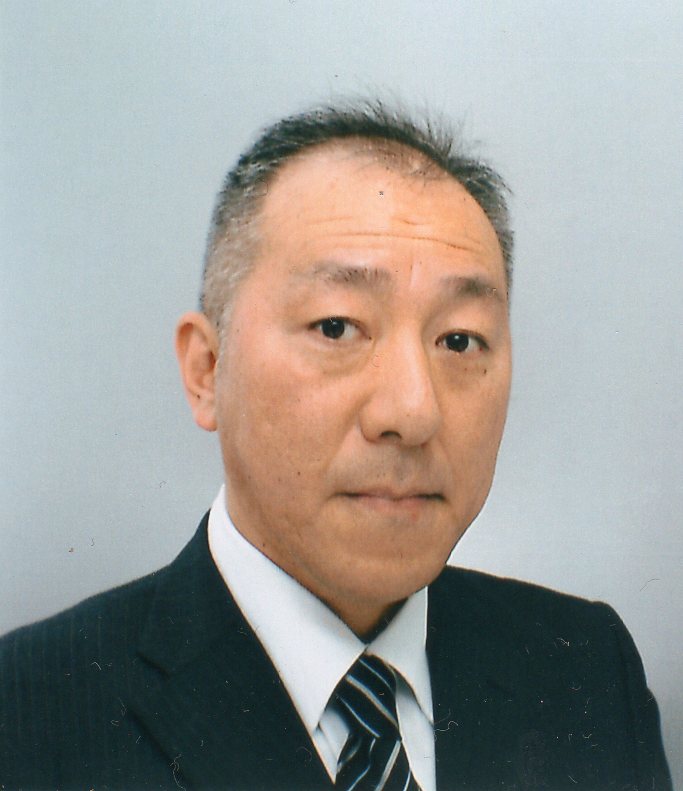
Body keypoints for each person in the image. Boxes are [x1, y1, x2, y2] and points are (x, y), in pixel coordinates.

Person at [0, 102, 672, 791]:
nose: (412, 410)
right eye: (336, 327)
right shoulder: (29, 713)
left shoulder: (584, 670)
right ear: (206, 369)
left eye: (458, 339)